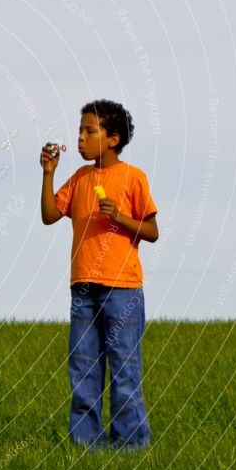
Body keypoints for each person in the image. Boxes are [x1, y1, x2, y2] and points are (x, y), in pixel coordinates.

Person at [40, 99, 159, 450]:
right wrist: (48, 173)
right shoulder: (79, 178)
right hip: (83, 289)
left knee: (124, 371)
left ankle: (131, 445)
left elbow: (151, 231)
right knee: (83, 370)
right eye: (79, 131)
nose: (80, 138)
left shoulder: (133, 177)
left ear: (112, 138)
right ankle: (87, 445)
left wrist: (120, 216)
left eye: (89, 131)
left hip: (122, 289)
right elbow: (49, 215)